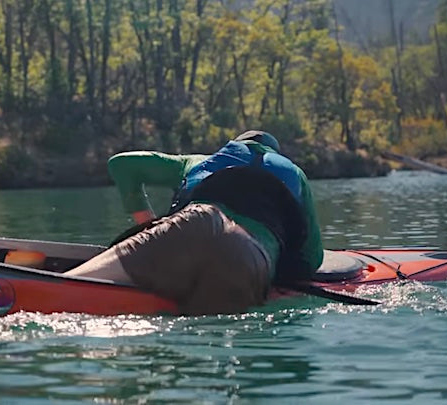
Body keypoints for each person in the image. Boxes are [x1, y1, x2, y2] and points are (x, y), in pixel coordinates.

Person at [64, 130, 323, 315]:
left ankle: (53, 285)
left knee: (69, 285)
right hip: (250, 260)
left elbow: (122, 164)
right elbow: (311, 260)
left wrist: (149, 225)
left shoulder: (201, 162)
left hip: (196, 223)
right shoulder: (295, 175)